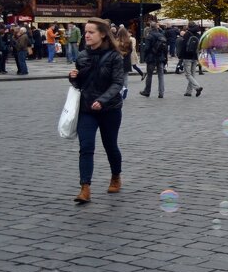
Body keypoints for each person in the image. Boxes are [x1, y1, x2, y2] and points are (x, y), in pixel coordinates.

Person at [68, 19, 126, 204]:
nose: (86, 35)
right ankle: (85, 188)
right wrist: (73, 78)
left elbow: (118, 83)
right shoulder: (82, 55)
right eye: (86, 32)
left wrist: (102, 100)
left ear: (102, 34)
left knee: (110, 146)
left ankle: (116, 176)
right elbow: (81, 84)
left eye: (91, 32)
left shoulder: (115, 57)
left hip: (110, 109)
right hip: (87, 108)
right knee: (86, 148)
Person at [139, 17, 168, 98]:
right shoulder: (161, 35)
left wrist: (145, 57)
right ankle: (161, 93)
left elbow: (147, 48)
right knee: (161, 75)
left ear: (150, 28)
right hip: (161, 58)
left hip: (151, 58)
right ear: (157, 27)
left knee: (149, 75)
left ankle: (147, 91)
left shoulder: (149, 36)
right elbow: (165, 48)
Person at [176, 22, 204, 98]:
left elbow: (183, 46)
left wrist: (180, 56)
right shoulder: (198, 35)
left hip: (187, 57)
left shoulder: (187, 34)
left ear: (189, 27)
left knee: (188, 74)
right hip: (195, 56)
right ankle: (188, 92)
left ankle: (197, 87)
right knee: (192, 74)